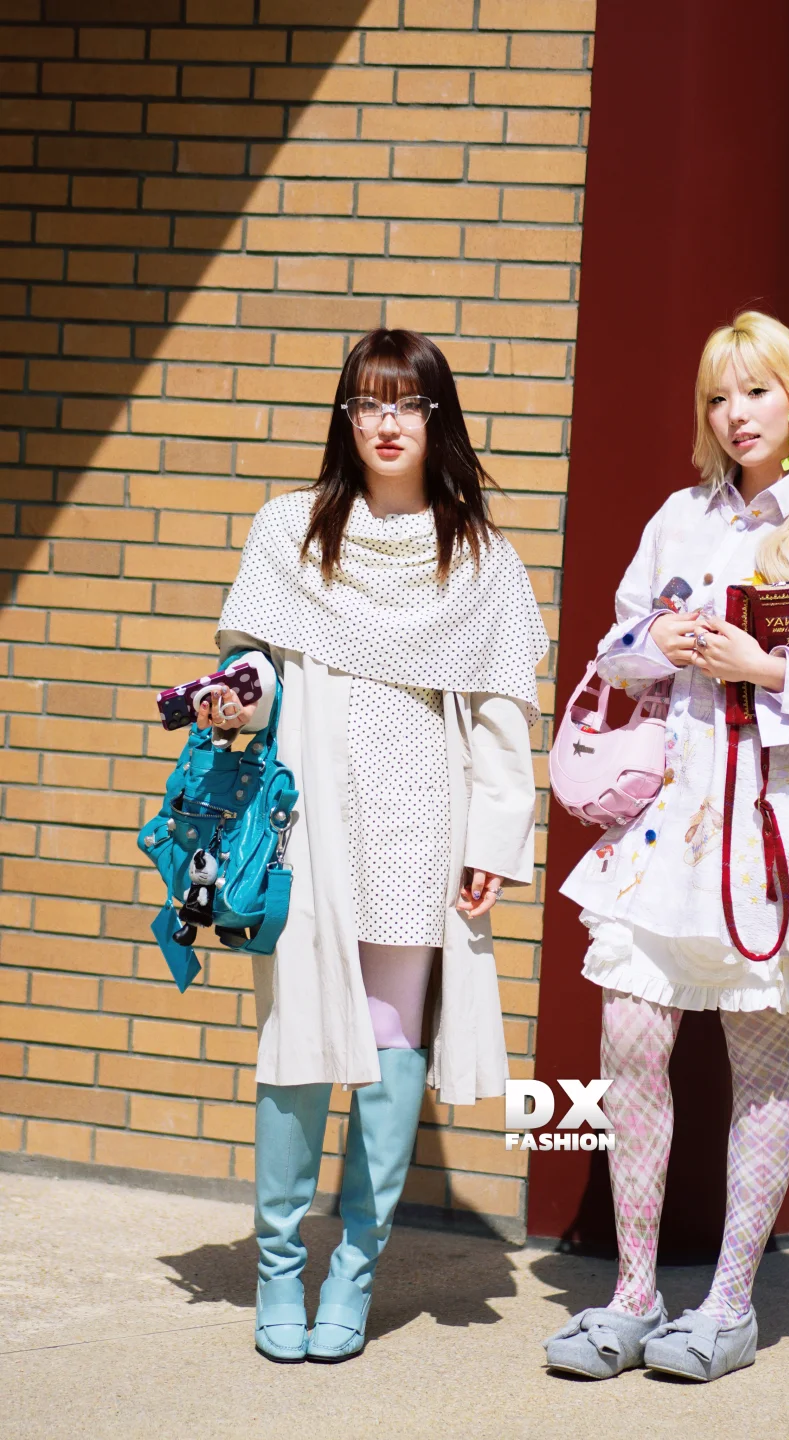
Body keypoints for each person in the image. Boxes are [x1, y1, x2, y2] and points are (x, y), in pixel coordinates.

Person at [544, 311, 789, 1382]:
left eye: (755, 391)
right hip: (665, 833)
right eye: (717, 396)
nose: (735, 414)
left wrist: (768, 670)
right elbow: (616, 647)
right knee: (629, 1046)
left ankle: (726, 1305)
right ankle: (631, 1294)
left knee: (761, 1064)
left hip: (772, 841)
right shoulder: (679, 519)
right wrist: (654, 643)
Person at [200, 328, 547, 1363]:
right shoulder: (289, 531)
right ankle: (279, 1270)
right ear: (345, 417)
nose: (386, 423)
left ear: (437, 418)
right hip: (310, 817)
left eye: (407, 404)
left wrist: (494, 841)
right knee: (298, 1037)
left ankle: (354, 1270)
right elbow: (257, 666)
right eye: (367, 402)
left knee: (393, 1044)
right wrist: (237, 699)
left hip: (421, 824)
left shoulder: (477, 556)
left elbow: (501, 714)